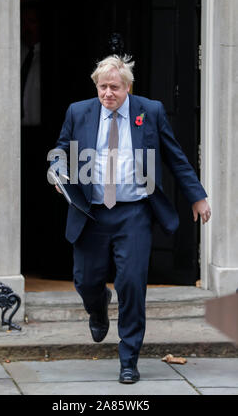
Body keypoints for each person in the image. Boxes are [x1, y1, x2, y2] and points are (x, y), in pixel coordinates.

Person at [48, 55, 211, 384]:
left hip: (134, 211)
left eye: (114, 87)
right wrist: (57, 169)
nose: (108, 93)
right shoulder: (78, 112)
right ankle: (97, 306)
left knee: (132, 284)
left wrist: (197, 195)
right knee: (85, 280)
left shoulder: (149, 111)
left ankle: (129, 357)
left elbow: (174, 155)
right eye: (102, 87)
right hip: (91, 212)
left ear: (128, 87)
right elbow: (61, 149)